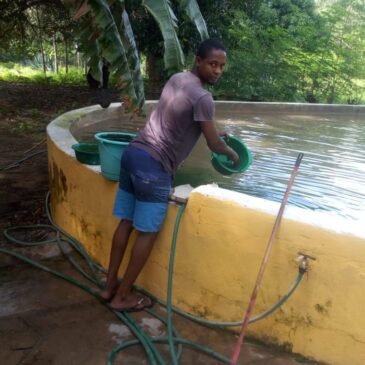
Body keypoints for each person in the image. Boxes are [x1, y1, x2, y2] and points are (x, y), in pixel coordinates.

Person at [101, 38, 239, 311]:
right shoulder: (204, 97)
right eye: (213, 64)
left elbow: (186, 122)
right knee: (147, 233)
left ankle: (108, 288)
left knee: (125, 222)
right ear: (198, 60)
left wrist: (216, 132)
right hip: (154, 167)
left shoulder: (177, 79)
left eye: (222, 66)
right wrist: (232, 154)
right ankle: (123, 296)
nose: (217, 71)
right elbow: (214, 145)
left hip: (133, 154)